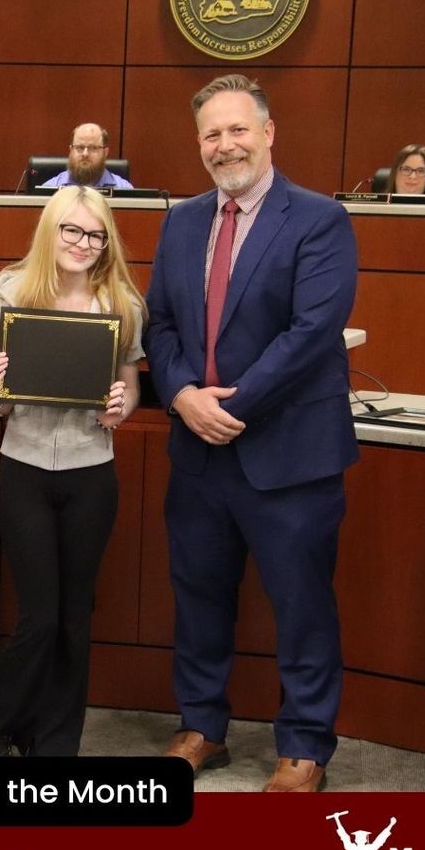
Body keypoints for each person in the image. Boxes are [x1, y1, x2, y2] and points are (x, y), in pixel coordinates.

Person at [143, 74, 358, 792]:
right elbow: (161, 323)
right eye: (211, 133)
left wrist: (225, 405)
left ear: (268, 133)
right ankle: (202, 724)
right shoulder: (181, 222)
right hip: (198, 454)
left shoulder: (320, 218)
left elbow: (311, 332)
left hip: (288, 453)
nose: (225, 144)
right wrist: (179, 394)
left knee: (302, 603)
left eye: (238, 129)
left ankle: (304, 745)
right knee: (199, 594)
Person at [0, 186, 146, 757]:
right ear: (51, 230)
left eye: (95, 235)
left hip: (91, 471)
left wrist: (122, 404)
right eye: (71, 230)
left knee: (75, 616)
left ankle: (55, 745)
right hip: (25, 468)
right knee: (39, 616)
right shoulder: (11, 292)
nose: (83, 243)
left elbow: (131, 386)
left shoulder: (122, 303)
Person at [40, 123, 133, 190]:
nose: (85, 154)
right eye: (80, 147)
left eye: (93, 148)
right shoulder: (50, 188)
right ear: (71, 150)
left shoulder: (124, 189)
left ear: (105, 152)